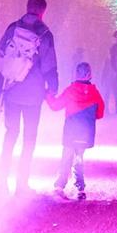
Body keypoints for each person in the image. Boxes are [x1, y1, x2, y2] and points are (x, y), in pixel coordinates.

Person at [0, 0, 59, 195]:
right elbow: (49, 65)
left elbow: (0, 51)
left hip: (12, 90)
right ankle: (21, 184)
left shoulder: (13, 27)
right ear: (42, 12)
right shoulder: (45, 34)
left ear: (27, 7)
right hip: (33, 95)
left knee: (10, 135)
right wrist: (53, 86)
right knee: (29, 138)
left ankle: (1, 179)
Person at [45, 62, 105, 201]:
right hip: (85, 133)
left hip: (71, 132)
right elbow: (100, 114)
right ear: (90, 74)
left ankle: (60, 186)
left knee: (66, 157)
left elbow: (55, 106)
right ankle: (80, 188)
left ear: (76, 74)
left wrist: (47, 95)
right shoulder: (95, 94)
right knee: (79, 159)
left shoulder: (70, 90)